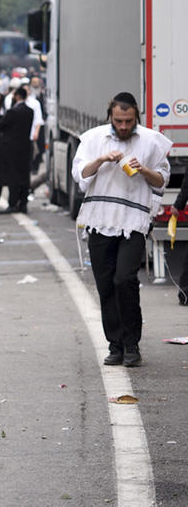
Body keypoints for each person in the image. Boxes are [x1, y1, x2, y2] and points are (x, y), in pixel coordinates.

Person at [72, 92, 172, 367]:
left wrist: (144, 170)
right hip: (100, 219)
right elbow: (79, 175)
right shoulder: (94, 139)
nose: (124, 126)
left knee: (124, 279)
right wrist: (102, 159)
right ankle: (115, 345)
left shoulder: (150, 141)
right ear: (110, 116)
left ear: (136, 115)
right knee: (105, 284)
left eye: (128, 121)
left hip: (133, 221)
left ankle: (132, 344)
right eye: (119, 121)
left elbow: (163, 179)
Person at [0, 87, 34, 214]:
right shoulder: (30, 111)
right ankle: (23, 203)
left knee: (13, 177)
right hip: (25, 148)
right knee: (24, 176)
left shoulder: (12, 111)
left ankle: (13, 203)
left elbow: (1, 125)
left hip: (12, 149)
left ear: (17, 96)